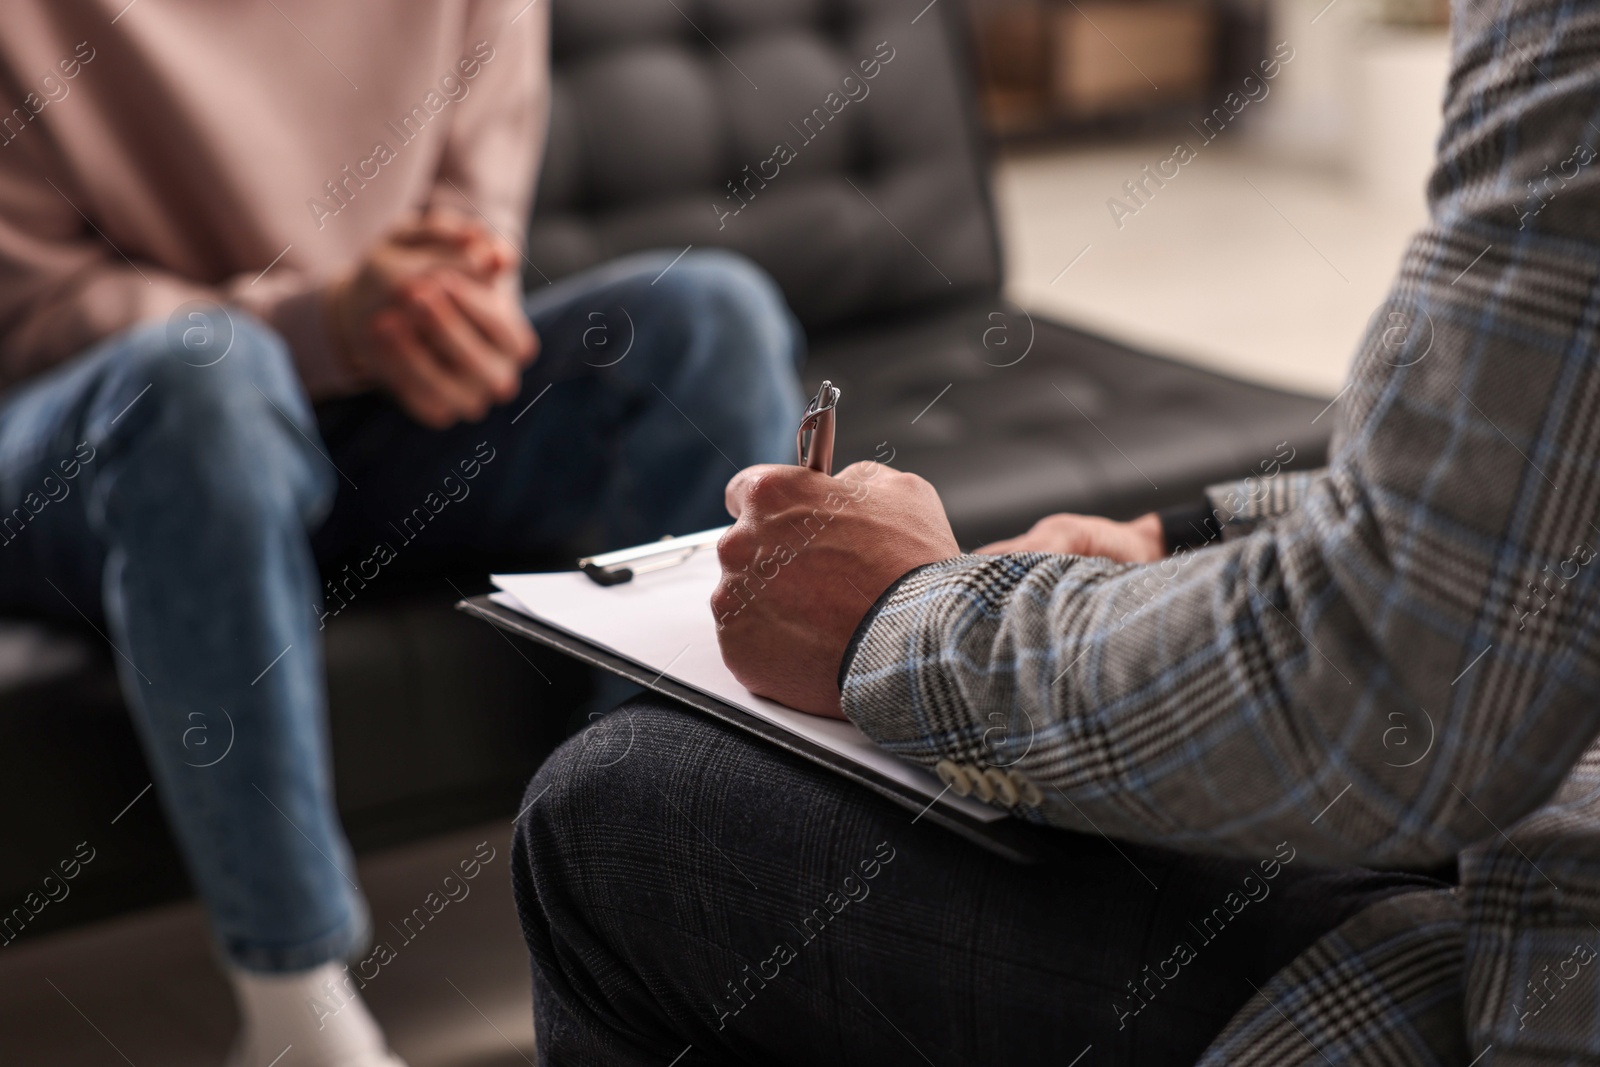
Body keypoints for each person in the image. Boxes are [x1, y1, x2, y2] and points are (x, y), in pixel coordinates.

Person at [512, 0, 1600, 1062]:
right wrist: (1180, 539)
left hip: (1536, 978)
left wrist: (894, 619)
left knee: (608, 810)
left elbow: (1390, 686)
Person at [0, 4, 801, 1066]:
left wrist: (441, 313)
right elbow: (26, 311)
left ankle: (639, 914)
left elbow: (472, 234)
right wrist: (316, 324)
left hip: (367, 410)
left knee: (713, 317)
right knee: (206, 373)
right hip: (83, 430)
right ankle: (295, 1011)